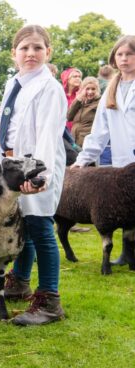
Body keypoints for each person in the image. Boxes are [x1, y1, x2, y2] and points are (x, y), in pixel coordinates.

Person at [0, 25, 67, 326]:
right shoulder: (13, 83)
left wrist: (38, 175)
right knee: (23, 227)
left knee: (41, 229)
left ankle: (50, 301)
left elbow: (46, 135)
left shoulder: (49, 88)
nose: (31, 53)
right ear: (14, 53)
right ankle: (19, 283)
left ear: (48, 52)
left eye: (37, 48)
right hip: (14, 168)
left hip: (33, 169)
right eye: (24, 48)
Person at [71, 35, 135, 267]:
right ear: (114, 58)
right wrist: (83, 159)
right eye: (120, 54)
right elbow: (99, 131)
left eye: (129, 54)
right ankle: (129, 254)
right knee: (129, 207)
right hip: (124, 162)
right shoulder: (111, 89)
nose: (124, 59)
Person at [68, 77, 101, 147]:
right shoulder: (81, 102)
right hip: (75, 141)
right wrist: (78, 99)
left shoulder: (99, 103)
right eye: (87, 89)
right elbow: (69, 117)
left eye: (93, 89)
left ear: (97, 90)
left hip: (88, 143)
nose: (90, 92)